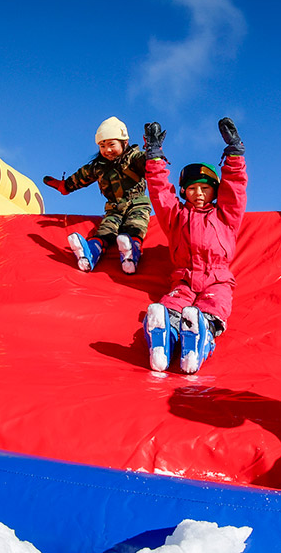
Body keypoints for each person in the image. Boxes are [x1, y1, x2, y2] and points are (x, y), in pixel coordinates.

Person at [141, 117, 247, 373]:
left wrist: (234, 154)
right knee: (171, 306)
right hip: (184, 280)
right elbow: (159, 193)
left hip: (217, 280)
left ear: (214, 192)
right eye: (191, 189)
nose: (198, 193)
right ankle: (164, 340)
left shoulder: (226, 216)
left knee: (211, 308)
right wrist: (154, 157)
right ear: (183, 192)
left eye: (204, 188)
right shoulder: (176, 216)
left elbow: (236, 188)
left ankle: (200, 341)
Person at [43, 117, 150, 274]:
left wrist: (153, 152)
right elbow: (81, 176)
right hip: (114, 208)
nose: (107, 150)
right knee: (106, 229)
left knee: (136, 225)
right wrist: (64, 186)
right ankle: (90, 253)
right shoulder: (98, 167)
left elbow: (148, 162)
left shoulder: (133, 158)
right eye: (102, 146)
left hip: (137, 204)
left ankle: (131, 252)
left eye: (111, 144)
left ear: (124, 142)